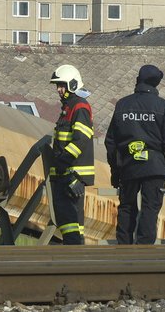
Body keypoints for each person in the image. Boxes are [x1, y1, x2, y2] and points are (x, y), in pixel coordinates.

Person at [105, 64, 165, 244]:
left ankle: (123, 250)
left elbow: (111, 141)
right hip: (154, 166)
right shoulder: (164, 107)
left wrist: (116, 169)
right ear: (157, 84)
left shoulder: (123, 105)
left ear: (138, 80)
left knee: (126, 207)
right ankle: (144, 253)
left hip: (128, 165)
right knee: (150, 209)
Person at [48, 64, 95, 245]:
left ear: (72, 85)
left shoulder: (79, 107)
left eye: (62, 85)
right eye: (57, 86)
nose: (59, 90)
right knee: (70, 224)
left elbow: (80, 140)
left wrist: (63, 162)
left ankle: (74, 258)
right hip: (66, 174)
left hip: (71, 174)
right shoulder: (68, 108)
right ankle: (75, 254)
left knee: (71, 223)